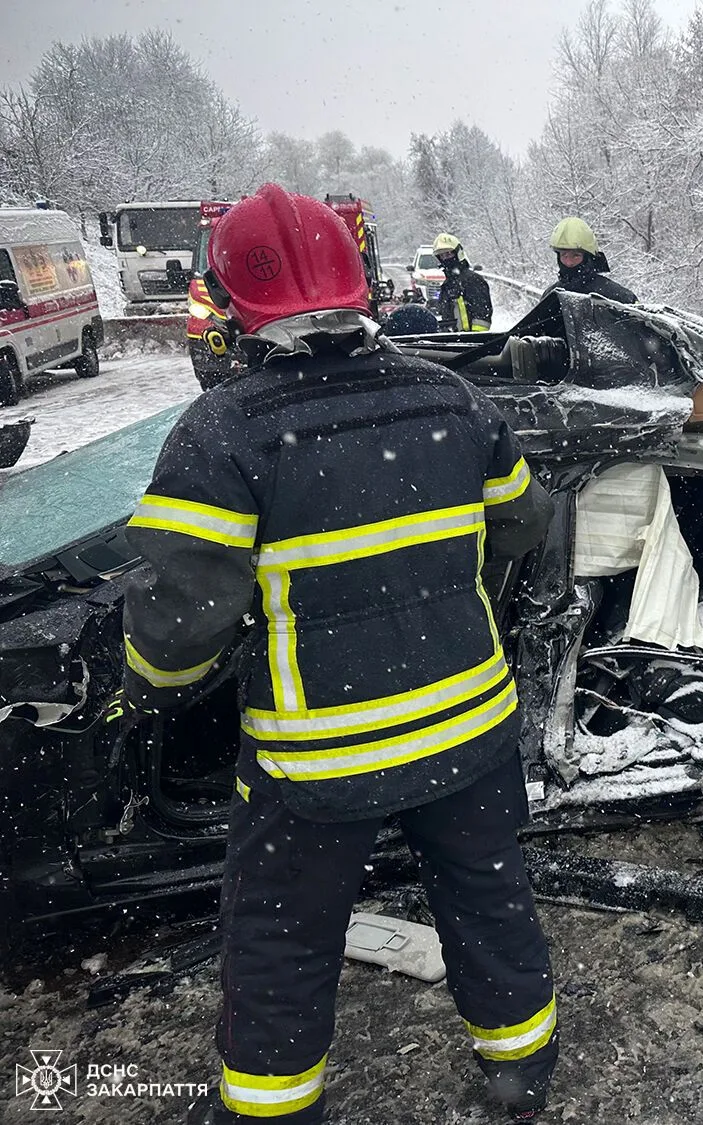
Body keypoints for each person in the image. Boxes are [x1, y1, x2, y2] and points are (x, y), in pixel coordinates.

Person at [115, 184, 557, 1125]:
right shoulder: (453, 397)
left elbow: (184, 619)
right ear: (361, 284)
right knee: (488, 894)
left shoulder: (225, 432)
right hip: (469, 723)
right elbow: (522, 525)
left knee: (280, 936)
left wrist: (150, 687)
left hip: (319, 755)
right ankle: (522, 1068)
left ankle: (269, 1108)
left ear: (236, 305)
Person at [541, 216, 637, 303]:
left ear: (588, 258)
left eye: (576, 256)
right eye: (564, 255)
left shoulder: (617, 296)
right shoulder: (550, 297)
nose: (569, 262)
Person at [433, 231, 494, 330]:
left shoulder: (473, 280)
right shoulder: (447, 284)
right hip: (454, 341)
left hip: (469, 341)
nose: (445, 258)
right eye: (442, 255)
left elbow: (482, 314)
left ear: (458, 253)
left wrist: (475, 338)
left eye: (448, 254)